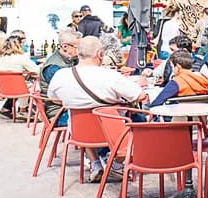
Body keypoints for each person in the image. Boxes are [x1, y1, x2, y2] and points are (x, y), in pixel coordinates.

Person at [46, 37, 151, 180]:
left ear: (78, 52)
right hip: (113, 133)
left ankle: (96, 163)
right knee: (134, 116)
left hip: (79, 132)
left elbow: (54, 99)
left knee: (83, 113)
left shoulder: (61, 76)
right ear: (100, 54)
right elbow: (140, 96)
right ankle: (115, 162)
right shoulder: (110, 76)